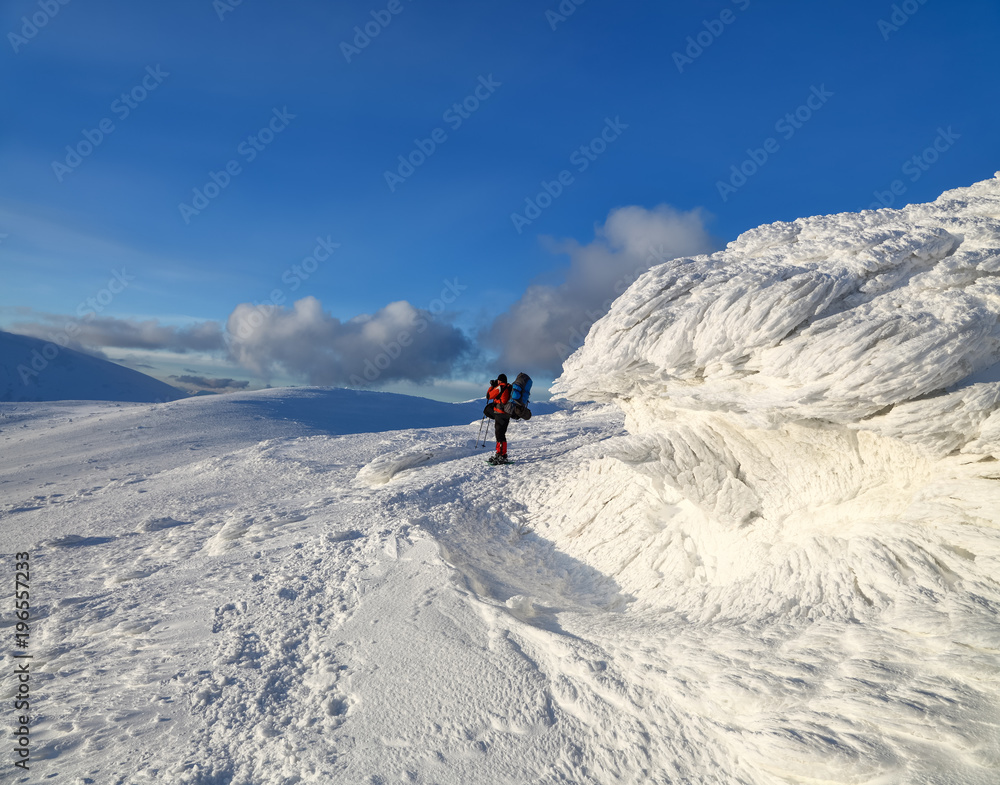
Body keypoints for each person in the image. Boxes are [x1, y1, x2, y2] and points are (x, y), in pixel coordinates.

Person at [486, 374, 511, 464]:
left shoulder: (501, 387)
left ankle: (501, 454)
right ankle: (501, 453)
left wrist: (492, 386)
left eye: (498, 380)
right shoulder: (508, 387)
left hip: (500, 413)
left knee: (499, 434)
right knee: (501, 434)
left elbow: (489, 396)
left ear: (500, 381)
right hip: (507, 414)